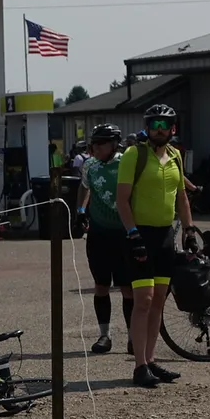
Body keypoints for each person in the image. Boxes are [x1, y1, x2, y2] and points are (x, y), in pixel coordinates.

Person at [116, 103, 194, 390]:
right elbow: (121, 200)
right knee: (144, 300)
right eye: (154, 125)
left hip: (165, 236)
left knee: (159, 300)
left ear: (173, 129)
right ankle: (139, 366)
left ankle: (150, 360)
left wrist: (189, 229)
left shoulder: (175, 156)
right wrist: (133, 233)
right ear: (147, 128)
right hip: (139, 235)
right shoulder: (133, 155)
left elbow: (182, 197)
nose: (159, 130)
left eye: (165, 125)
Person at [76, 125, 133, 355]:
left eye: (101, 144)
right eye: (94, 144)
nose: (95, 148)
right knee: (101, 286)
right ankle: (104, 335)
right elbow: (84, 187)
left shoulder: (126, 163)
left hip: (123, 232)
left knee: (127, 288)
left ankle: (132, 336)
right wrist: (81, 209)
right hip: (99, 234)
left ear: (114, 144)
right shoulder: (90, 165)